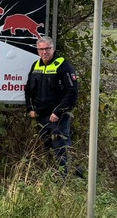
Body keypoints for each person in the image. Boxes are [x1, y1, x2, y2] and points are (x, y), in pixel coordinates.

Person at [24, 36, 80, 174]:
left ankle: (65, 178)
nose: (44, 52)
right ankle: (50, 176)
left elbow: (72, 91)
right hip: (41, 116)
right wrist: (30, 108)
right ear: (38, 50)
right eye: (41, 49)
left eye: (47, 48)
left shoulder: (63, 66)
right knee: (45, 148)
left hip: (58, 117)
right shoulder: (36, 66)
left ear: (53, 48)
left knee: (61, 148)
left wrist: (58, 112)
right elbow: (28, 89)